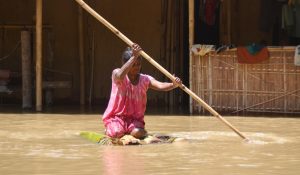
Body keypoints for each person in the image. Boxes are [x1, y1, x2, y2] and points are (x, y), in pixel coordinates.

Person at [102, 43, 182, 140]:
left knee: (137, 133)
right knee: (116, 133)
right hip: (116, 117)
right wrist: (134, 57)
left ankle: (131, 130)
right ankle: (111, 129)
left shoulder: (145, 79)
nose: (136, 67)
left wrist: (173, 85)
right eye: (133, 64)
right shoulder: (117, 73)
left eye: (138, 64)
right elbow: (119, 76)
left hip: (135, 120)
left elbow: (160, 85)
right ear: (126, 64)